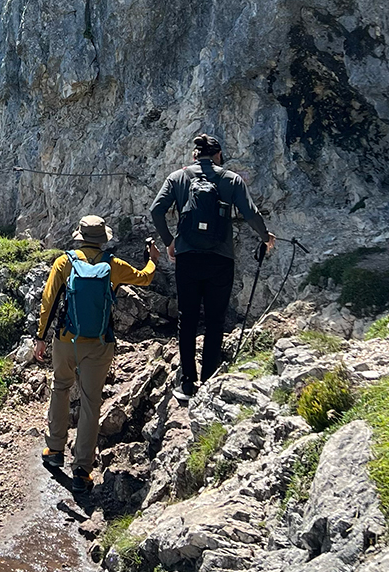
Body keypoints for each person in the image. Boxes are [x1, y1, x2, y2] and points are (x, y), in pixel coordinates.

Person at [34, 215, 159, 493]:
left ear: (79, 237)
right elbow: (146, 278)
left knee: (60, 388)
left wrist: (41, 337)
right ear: (103, 239)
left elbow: (49, 301)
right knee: (91, 404)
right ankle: (82, 471)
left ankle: (54, 451)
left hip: (66, 341)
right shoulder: (113, 265)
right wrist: (152, 258)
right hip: (100, 344)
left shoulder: (64, 262)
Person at [150, 134, 275, 400]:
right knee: (216, 320)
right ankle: (209, 379)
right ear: (218, 155)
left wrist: (170, 242)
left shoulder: (178, 177)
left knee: (188, 320)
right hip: (221, 258)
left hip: (188, 258)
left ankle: (187, 383)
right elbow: (251, 213)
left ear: (195, 156)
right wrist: (266, 237)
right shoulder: (231, 179)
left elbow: (156, 211)